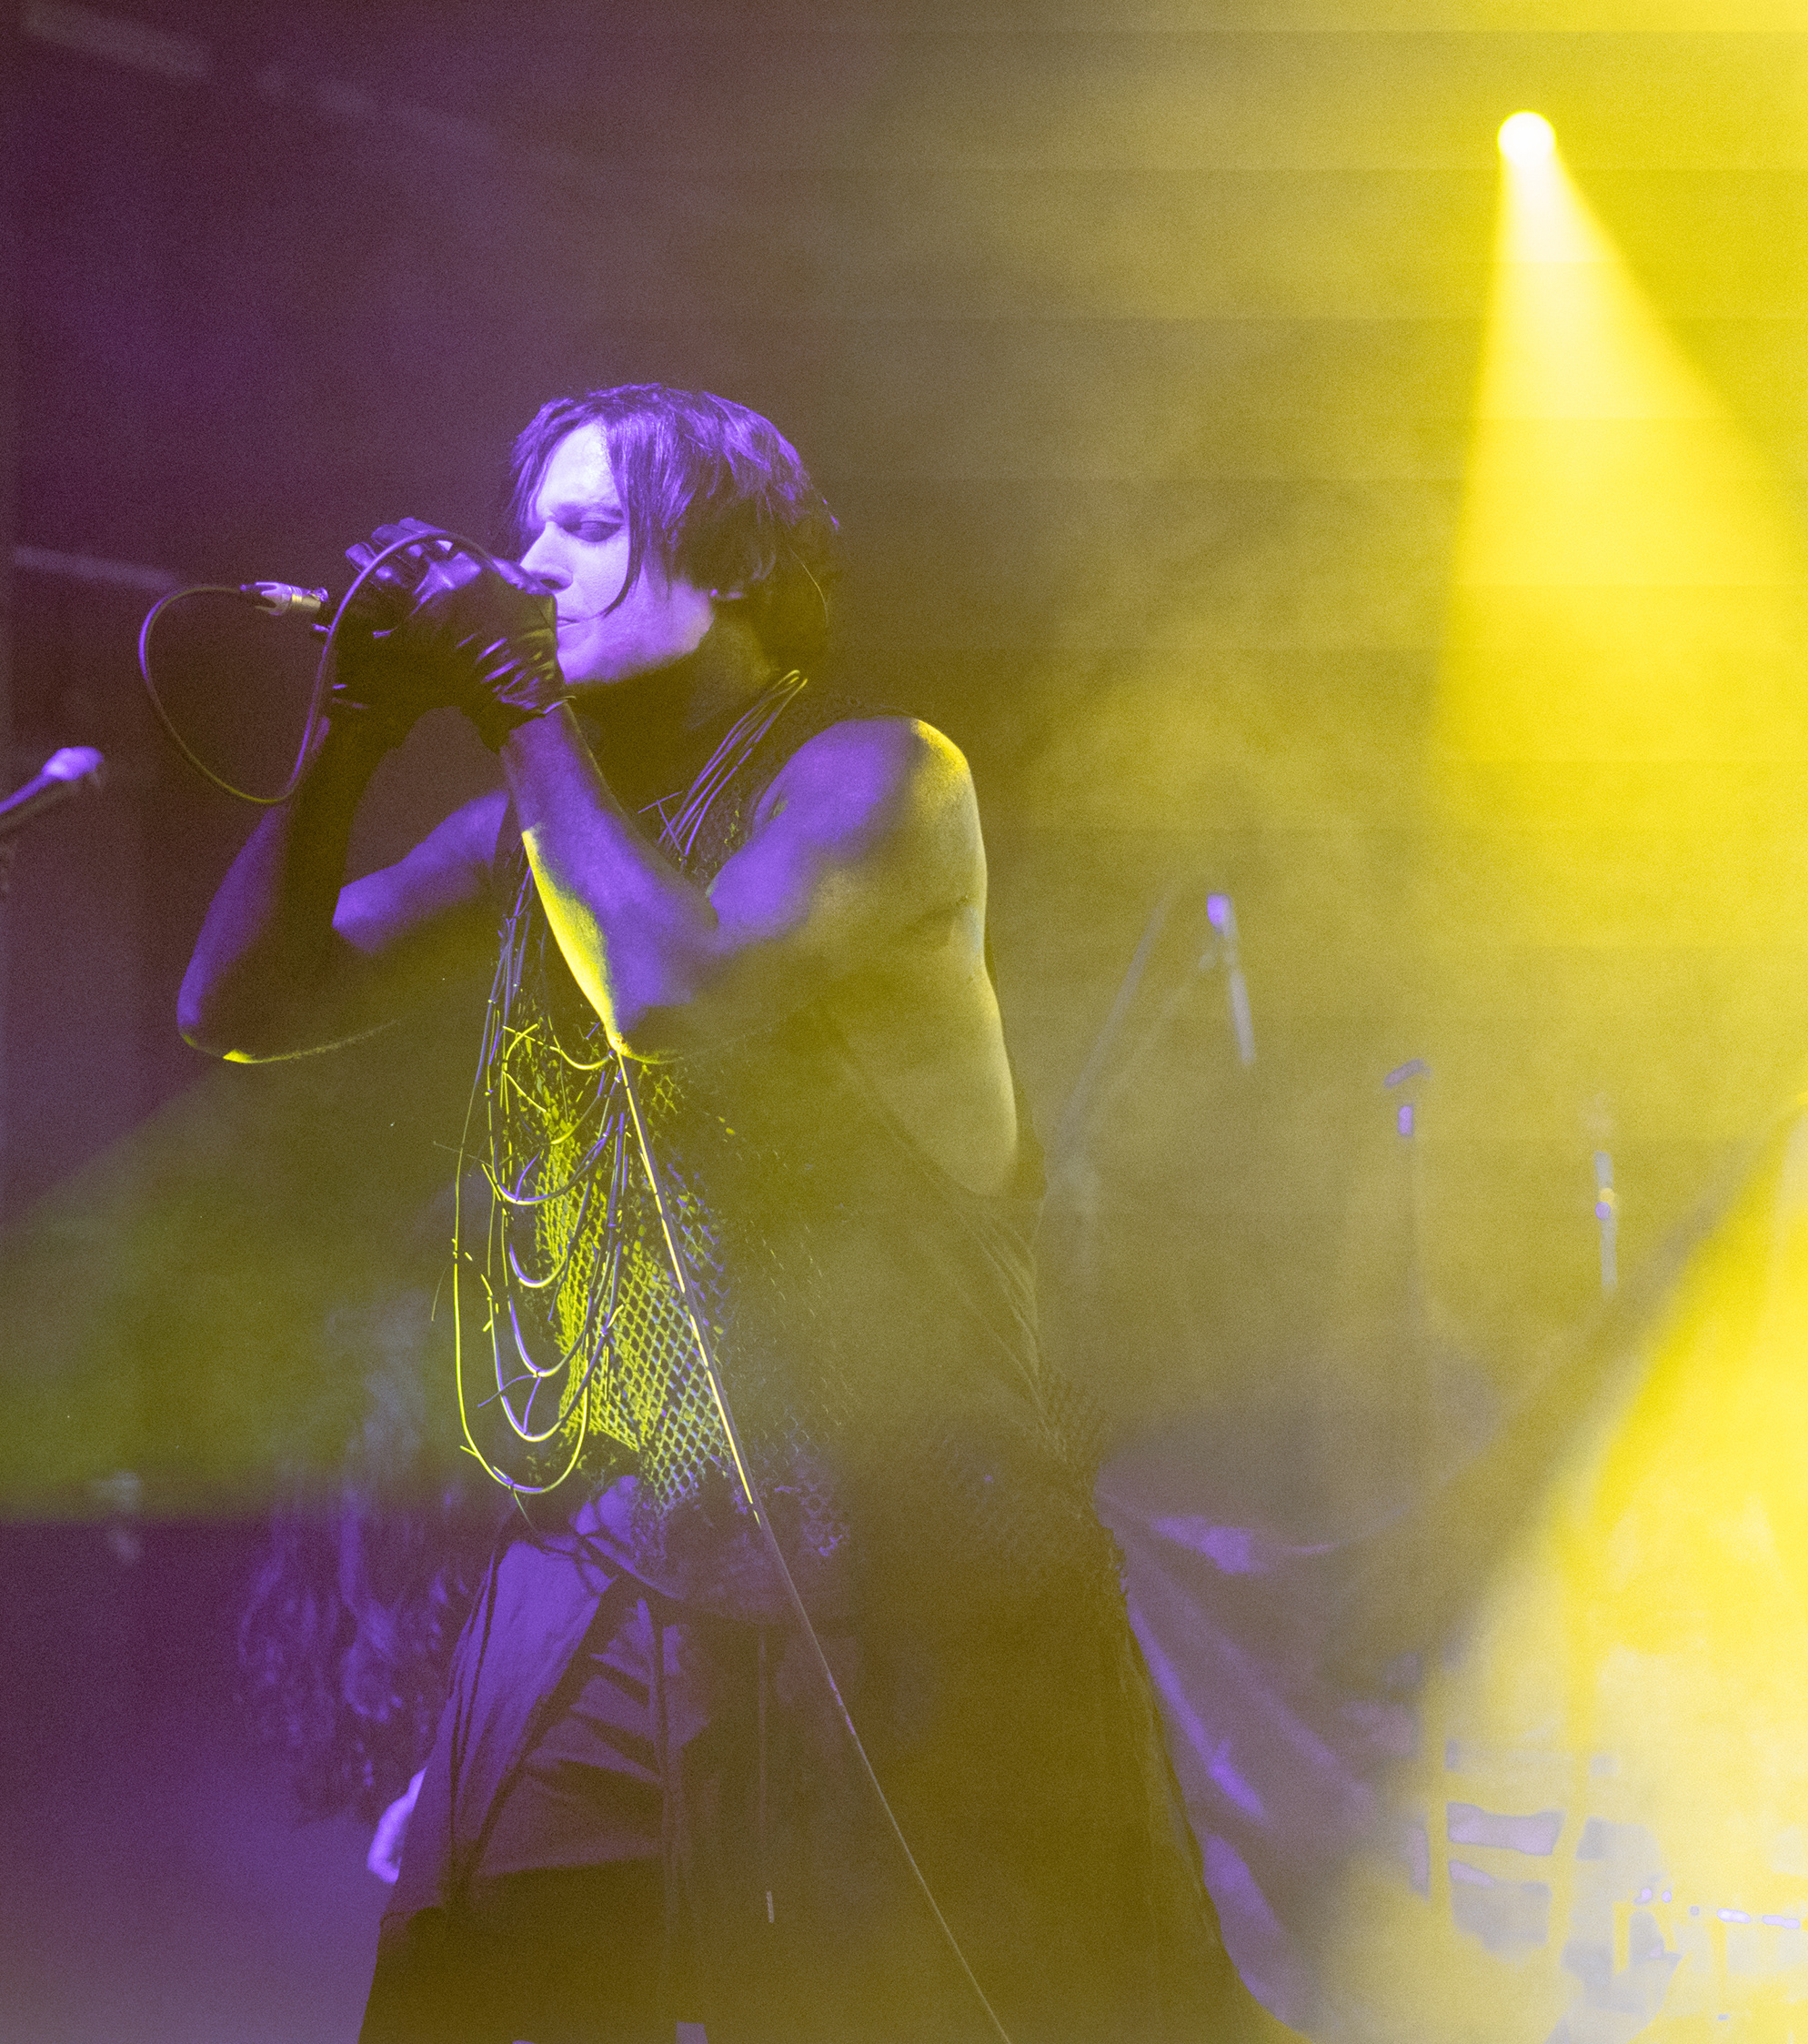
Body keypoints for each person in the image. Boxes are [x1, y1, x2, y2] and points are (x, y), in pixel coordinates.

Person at [180, 385, 1260, 2043]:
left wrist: (514, 698)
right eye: (529, 526)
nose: (532, 565)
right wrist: (353, 730)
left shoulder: (883, 781)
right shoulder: (532, 833)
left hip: (905, 1568)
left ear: (739, 565)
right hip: (613, 1549)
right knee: (480, 1993)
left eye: (590, 529)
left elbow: (673, 995)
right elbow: (240, 1005)